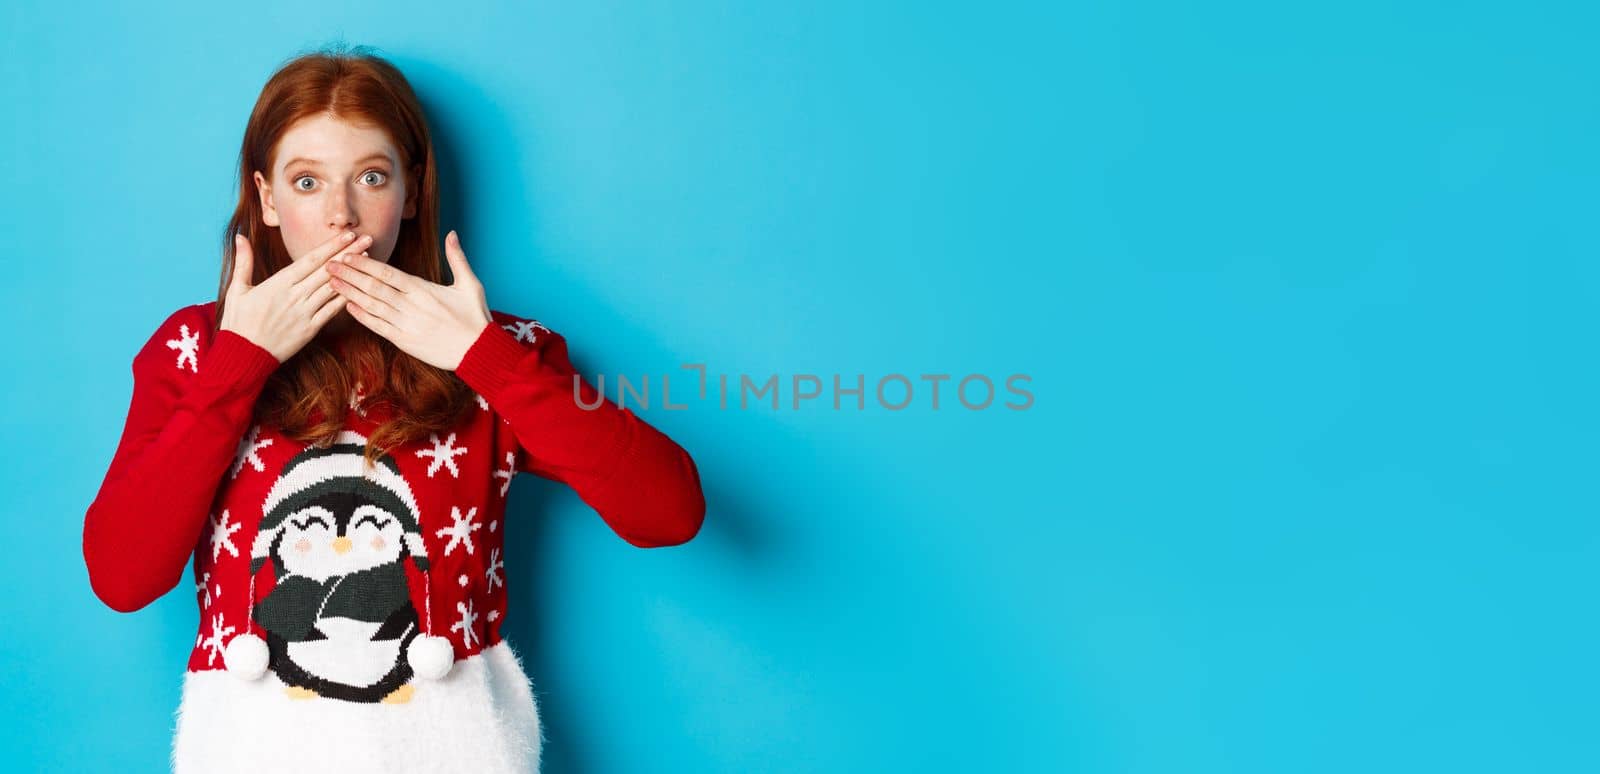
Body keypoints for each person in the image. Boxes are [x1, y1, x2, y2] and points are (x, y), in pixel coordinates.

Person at [80, 45, 706, 774]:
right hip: (252, 749)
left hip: (451, 747)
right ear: (268, 198)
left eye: (370, 177)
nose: (341, 216)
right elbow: (123, 578)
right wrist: (240, 365)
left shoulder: (492, 346)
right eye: (306, 181)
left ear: (411, 191)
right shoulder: (197, 348)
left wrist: (486, 359)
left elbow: (669, 513)